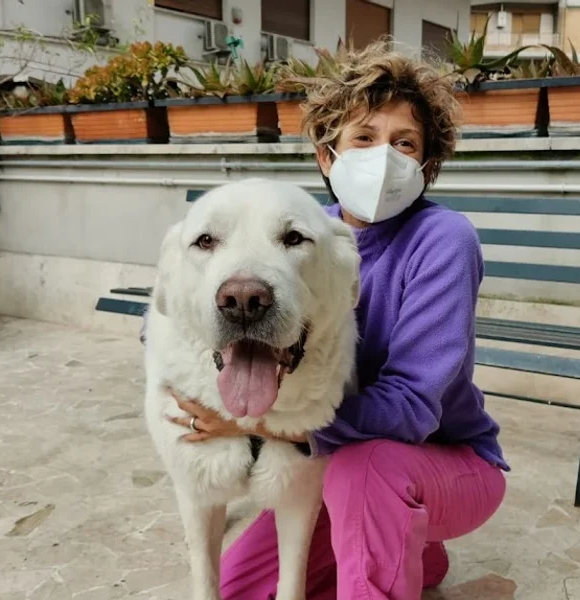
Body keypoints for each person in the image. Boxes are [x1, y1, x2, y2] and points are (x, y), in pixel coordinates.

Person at [164, 40, 509, 600]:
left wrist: (251, 422)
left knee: (363, 473)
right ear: (328, 157)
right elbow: (188, 302)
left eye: (405, 143)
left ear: (427, 165)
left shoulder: (444, 241)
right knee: (238, 591)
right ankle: (414, 547)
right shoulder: (303, 231)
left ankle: (405, 528)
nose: (383, 156)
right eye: (364, 138)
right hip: (334, 454)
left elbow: (411, 410)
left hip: (444, 460)